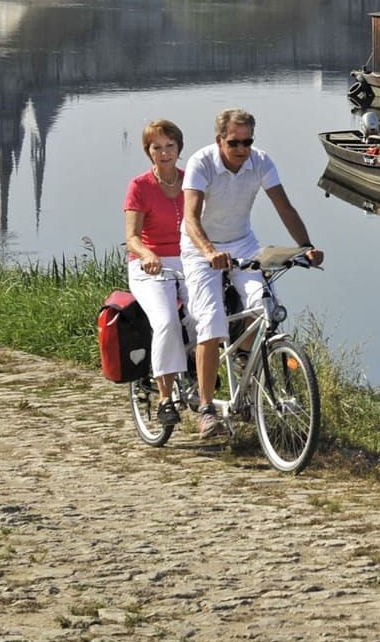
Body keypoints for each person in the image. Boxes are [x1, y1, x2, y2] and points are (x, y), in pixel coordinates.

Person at [182, 108, 323, 441]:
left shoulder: (260, 162)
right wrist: (209, 252)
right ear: (220, 140)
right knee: (212, 322)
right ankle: (206, 410)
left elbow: (284, 207)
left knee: (264, 305)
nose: (242, 149)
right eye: (234, 142)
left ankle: (245, 363)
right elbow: (190, 218)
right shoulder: (201, 163)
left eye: (247, 141)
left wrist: (306, 246)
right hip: (200, 248)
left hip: (243, 244)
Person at [123, 119, 189, 426]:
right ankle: (164, 398)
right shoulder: (139, 187)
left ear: (179, 148)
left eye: (170, 146)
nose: (164, 153)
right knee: (166, 320)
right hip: (150, 264)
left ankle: (202, 387)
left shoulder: (191, 182)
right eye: (157, 147)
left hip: (188, 261)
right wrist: (148, 255)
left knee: (207, 316)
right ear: (148, 152)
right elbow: (132, 237)